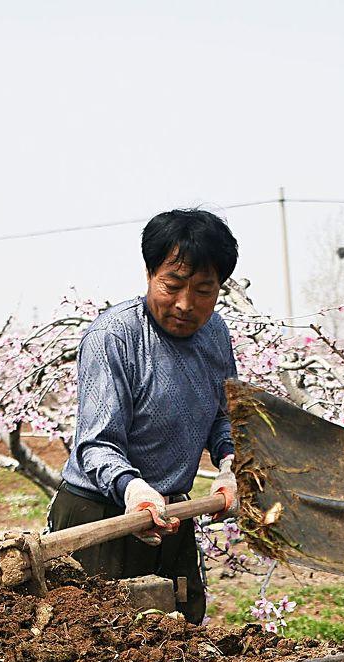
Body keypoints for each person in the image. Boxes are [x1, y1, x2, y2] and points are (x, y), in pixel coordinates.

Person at [51, 208, 242, 622]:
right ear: (149, 273)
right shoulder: (114, 337)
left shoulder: (215, 334)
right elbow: (97, 445)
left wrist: (231, 464)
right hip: (101, 517)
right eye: (171, 286)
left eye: (204, 291)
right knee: (99, 647)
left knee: (181, 640)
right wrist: (134, 490)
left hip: (173, 516)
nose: (185, 304)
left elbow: (225, 416)